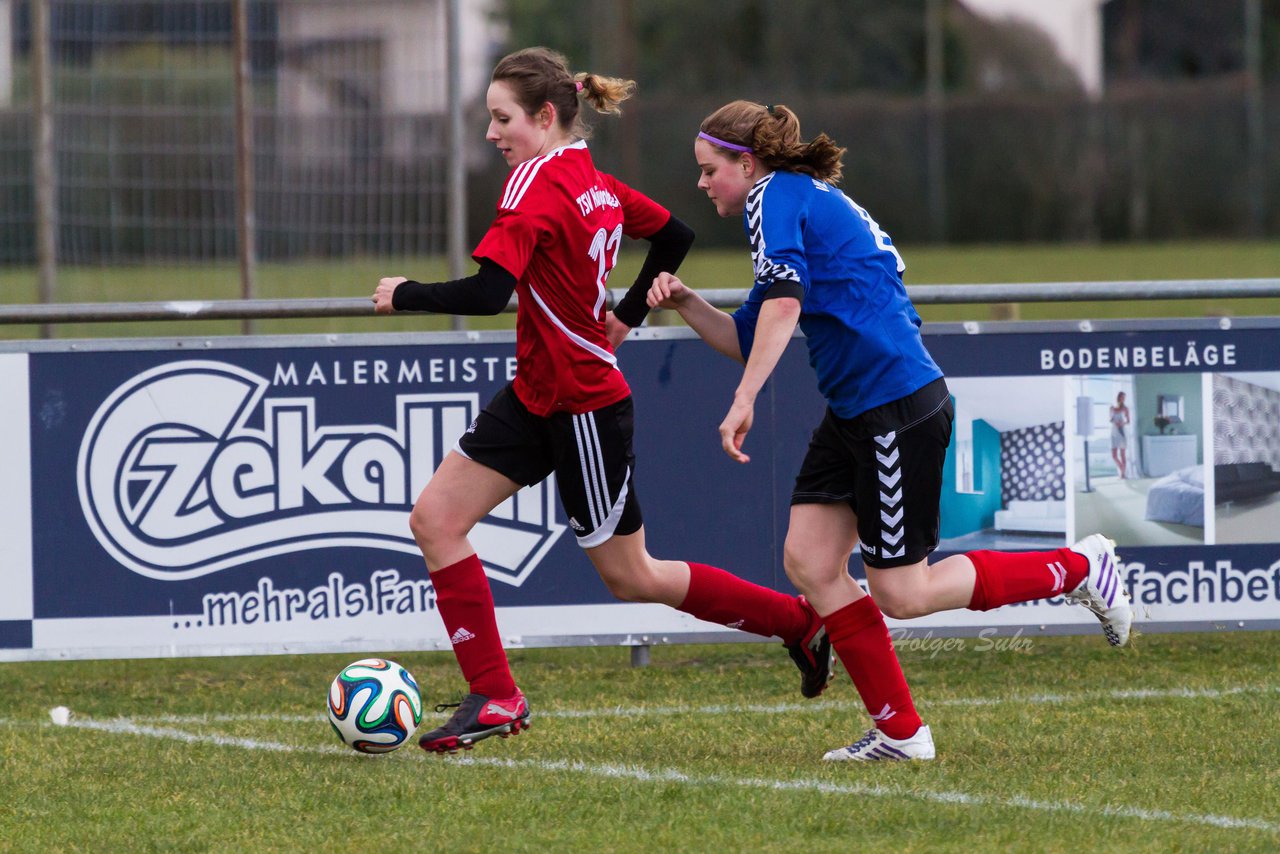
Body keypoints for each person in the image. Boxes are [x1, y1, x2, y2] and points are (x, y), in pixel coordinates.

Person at [372, 53, 831, 755]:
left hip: (583, 405)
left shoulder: (533, 186)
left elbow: (489, 293)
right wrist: (621, 315)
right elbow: (675, 234)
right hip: (537, 392)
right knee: (435, 520)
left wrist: (405, 293)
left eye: (503, 119)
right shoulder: (588, 177)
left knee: (632, 576)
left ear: (545, 117)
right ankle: (495, 695)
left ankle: (797, 622)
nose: (493, 134)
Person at [647, 100, 1133, 762]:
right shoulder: (796, 200)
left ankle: (1080, 567)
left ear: (746, 162)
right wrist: (687, 303)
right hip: (858, 410)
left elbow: (785, 308)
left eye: (709, 171)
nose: (703, 185)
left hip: (893, 409)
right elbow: (746, 332)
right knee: (811, 562)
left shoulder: (773, 197)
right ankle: (901, 732)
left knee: (903, 592)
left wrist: (745, 399)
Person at [1110, 391, 1131, 478]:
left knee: (1122, 454)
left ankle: (1123, 474)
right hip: (1114, 432)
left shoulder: (1126, 409)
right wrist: (1114, 421)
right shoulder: (1112, 408)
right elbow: (1110, 419)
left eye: (1124, 398)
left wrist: (1122, 423)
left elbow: (1128, 421)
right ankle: (1122, 468)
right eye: (1121, 397)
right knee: (1114, 455)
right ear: (1118, 398)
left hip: (1122, 432)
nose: (1123, 399)